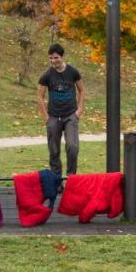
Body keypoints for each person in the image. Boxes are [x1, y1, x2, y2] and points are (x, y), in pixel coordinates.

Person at [38, 43, 85, 176]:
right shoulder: (47, 75)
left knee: (72, 147)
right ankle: (56, 180)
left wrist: (79, 110)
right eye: (51, 58)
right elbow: (39, 96)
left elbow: (81, 90)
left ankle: (71, 178)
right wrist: (46, 117)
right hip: (53, 116)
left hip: (71, 116)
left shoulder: (72, 72)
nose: (53, 61)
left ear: (62, 57)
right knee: (54, 150)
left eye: (56, 58)